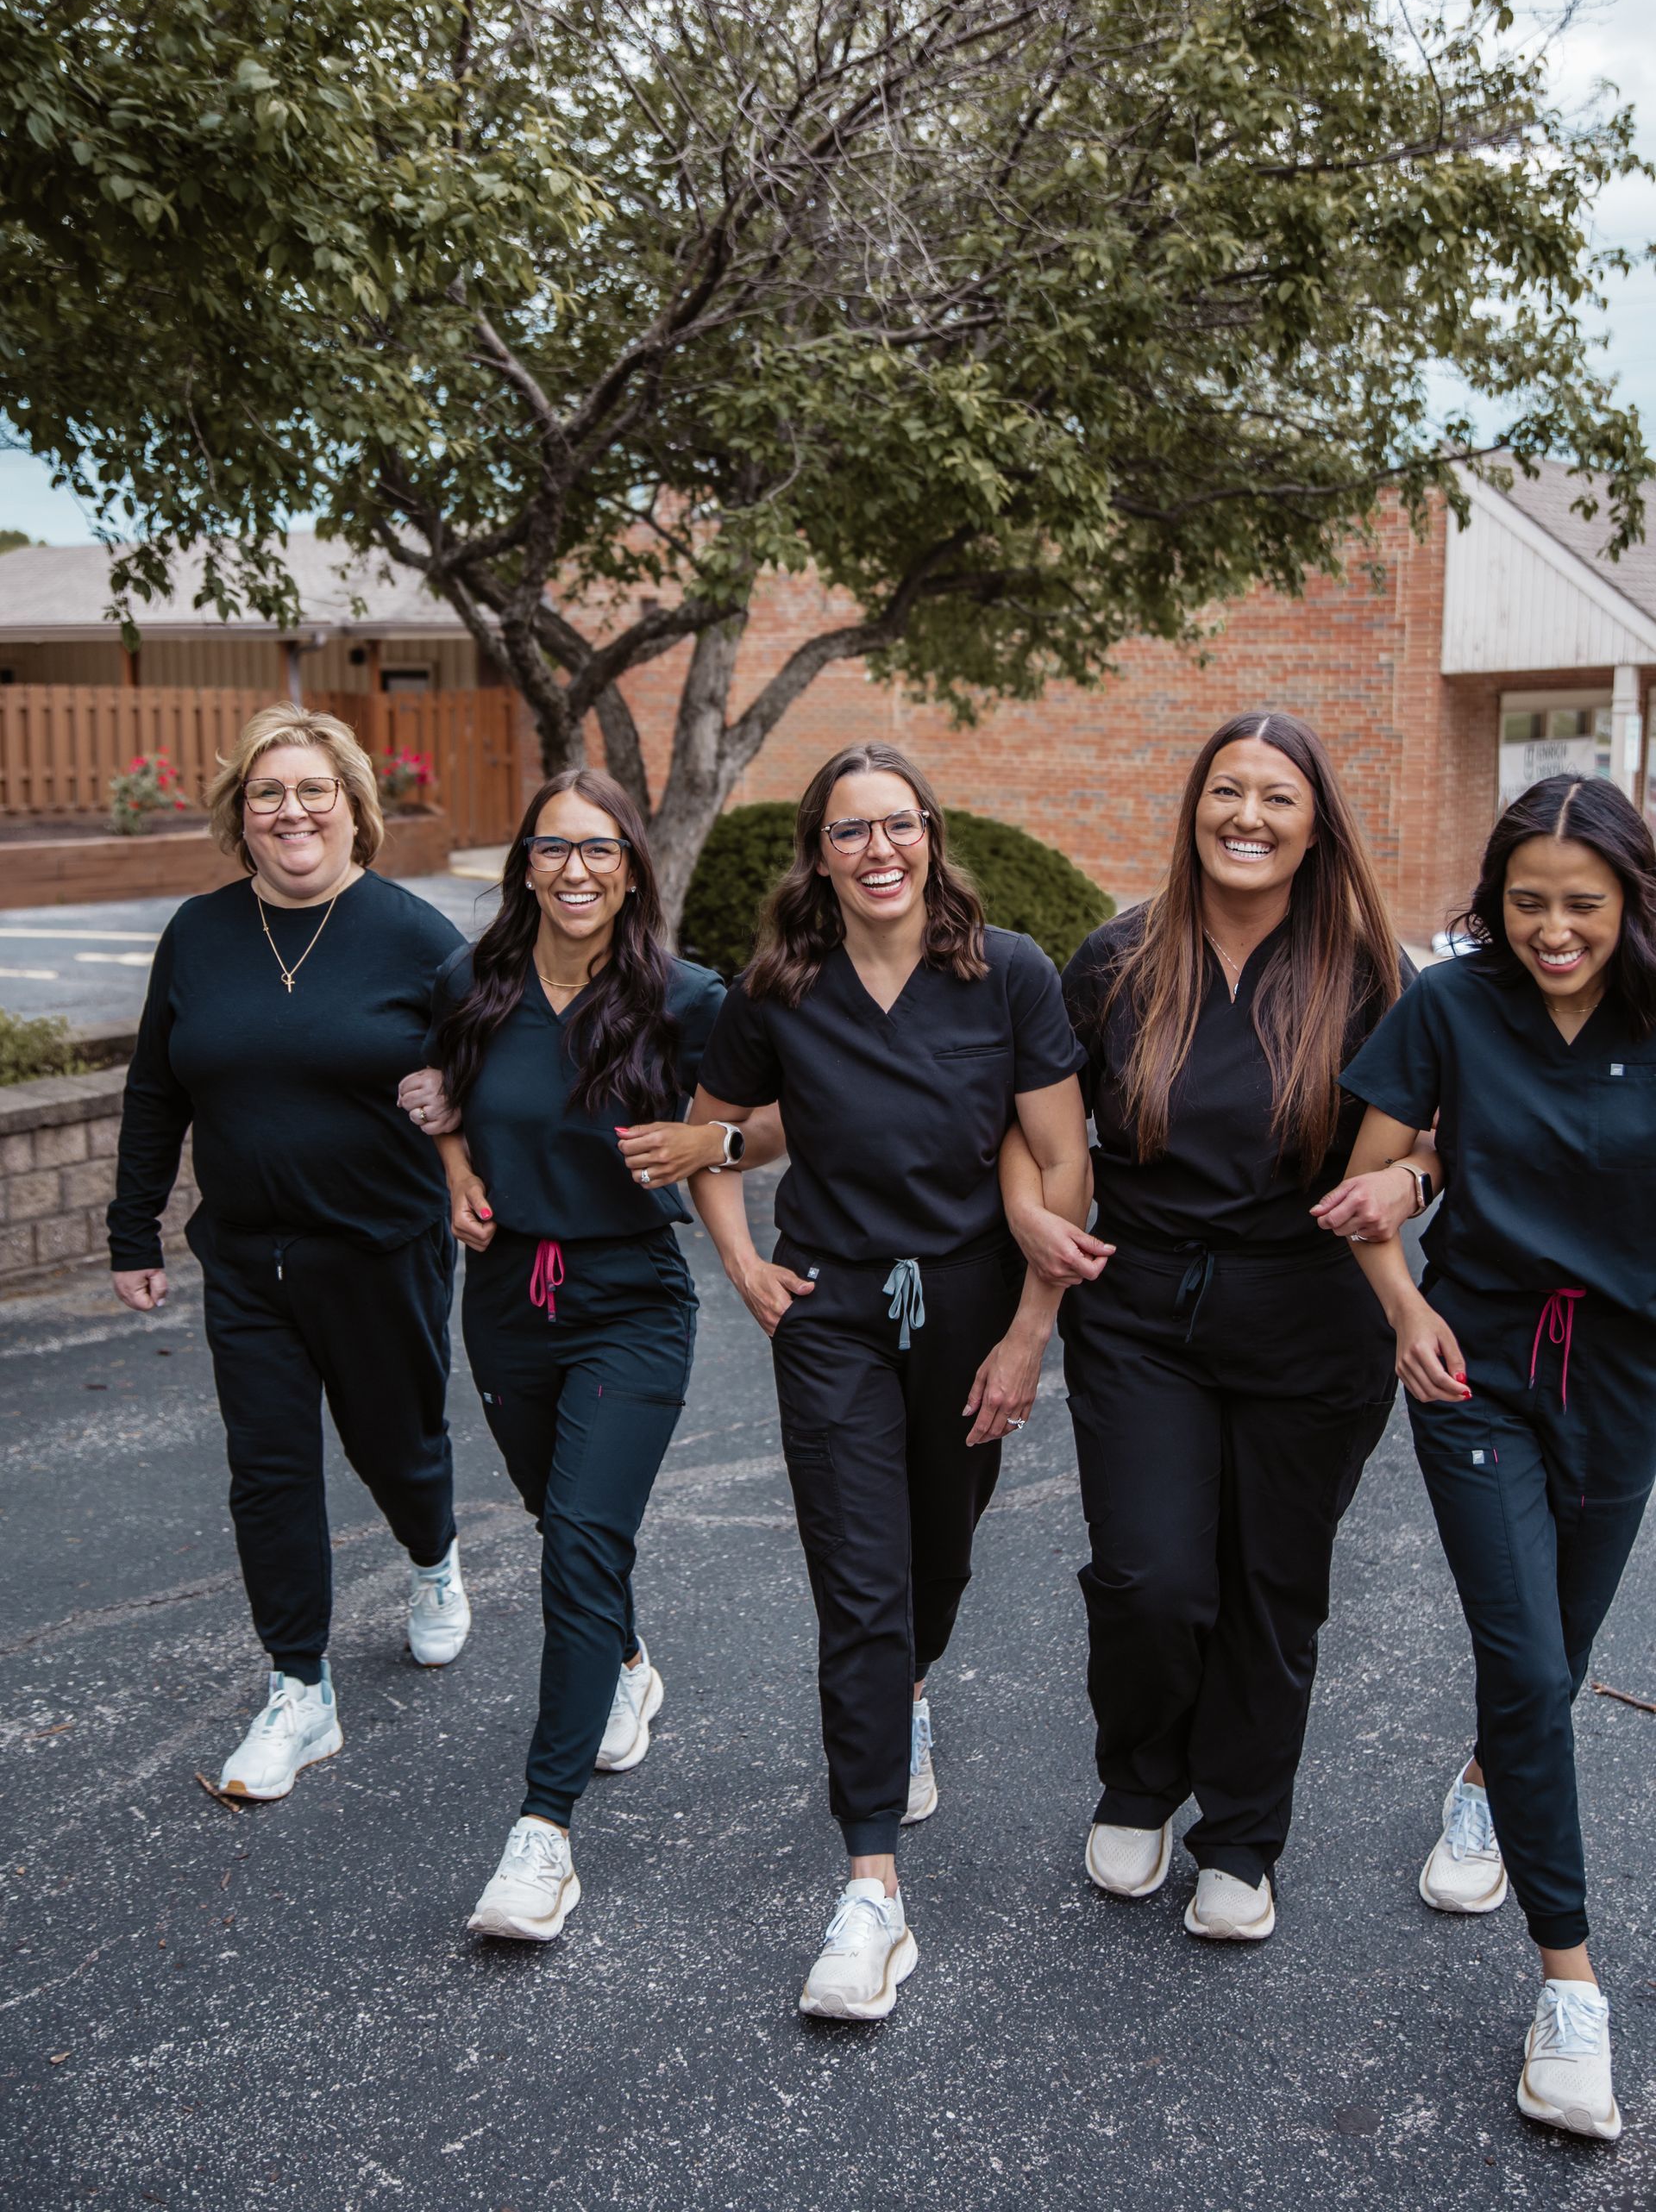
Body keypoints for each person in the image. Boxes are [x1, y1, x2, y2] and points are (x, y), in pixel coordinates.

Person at [1003, 711, 1436, 1942]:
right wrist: (1030, 1213)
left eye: (1278, 798)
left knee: (1271, 1588)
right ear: (1195, 808)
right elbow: (1032, 1121)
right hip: (1144, 1312)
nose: (1248, 817)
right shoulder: (1119, 958)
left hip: (1313, 1317)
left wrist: (1411, 1181)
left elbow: (1450, 1122)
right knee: (1149, 1577)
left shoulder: (1370, 973)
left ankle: (1241, 1835)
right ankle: (1140, 1779)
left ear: (1315, 826)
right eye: (1227, 793)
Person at [688, 742, 1090, 2021]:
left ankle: (907, 1688)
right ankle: (871, 1886)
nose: (878, 851)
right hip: (835, 1313)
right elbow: (715, 1133)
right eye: (850, 832)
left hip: (973, 1307)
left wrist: (1031, 1334)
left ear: (931, 834)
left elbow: (1061, 1162)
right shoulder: (780, 988)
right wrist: (746, 1264)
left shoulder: (1008, 973)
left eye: (898, 826)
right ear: (817, 853)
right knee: (859, 1582)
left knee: (940, 1555)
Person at [1340, 774, 1656, 2144]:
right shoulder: (1451, 1006)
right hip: (1477, 1368)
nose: (1553, 930)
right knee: (1526, 1663)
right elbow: (1374, 1182)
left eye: (1582, 905)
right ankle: (1571, 1988)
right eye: (1526, 903)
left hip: (1630, 1377)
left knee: (1564, 1653)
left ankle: (1481, 1787)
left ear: (1632, 902)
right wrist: (1407, 1308)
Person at [419, 768, 782, 1943]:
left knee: (581, 1534)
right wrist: (460, 1175)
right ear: (524, 863)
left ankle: (543, 1836)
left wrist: (710, 1139)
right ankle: (624, 1658)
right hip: (506, 1298)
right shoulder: (471, 987)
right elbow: (439, 1100)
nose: (576, 872)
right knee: (553, 1513)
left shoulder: (685, 998)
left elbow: (786, 1112)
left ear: (632, 866)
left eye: (601, 851)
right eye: (554, 850)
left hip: (632, 1297)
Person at [108, 702, 469, 1802]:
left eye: (314, 789)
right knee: (267, 1473)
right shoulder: (201, 933)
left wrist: (460, 1092)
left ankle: (434, 1559)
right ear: (242, 817)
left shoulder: (416, 936)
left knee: (395, 1447)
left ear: (354, 807)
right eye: (268, 793)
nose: (291, 810)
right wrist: (133, 1229)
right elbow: (156, 1088)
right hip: (247, 1261)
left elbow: (499, 1064)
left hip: (381, 1250)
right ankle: (299, 1689)